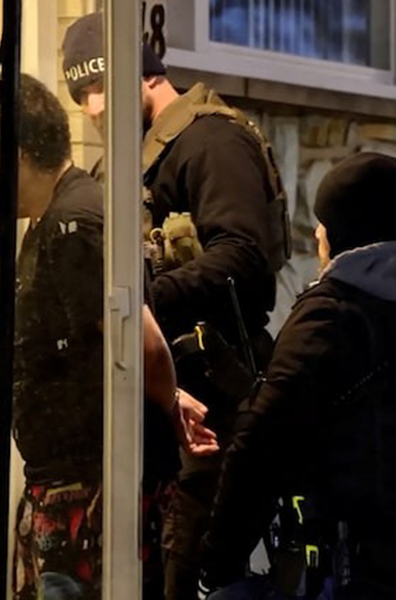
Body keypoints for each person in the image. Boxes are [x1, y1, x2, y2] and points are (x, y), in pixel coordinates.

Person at [0, 73, 217, 600]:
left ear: (17, 153)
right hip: (75, 484)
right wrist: (171, 397)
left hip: (90, 495)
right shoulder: (65, 214)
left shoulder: (73, 221)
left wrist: (167, 403)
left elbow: (134, 337)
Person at [199, 153, 396, 600]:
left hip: (353, 579)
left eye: (323, 223)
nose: (317, 234)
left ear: (341, 230)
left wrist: (217, 564)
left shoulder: (334, 312)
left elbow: (261, 446)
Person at [61, 13, 291, 600]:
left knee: (180, 577)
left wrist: (134, 301)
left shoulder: (211, 139)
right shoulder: (124, 158)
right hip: (149, 407)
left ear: (144, 75)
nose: (91, 108)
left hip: (208, 400)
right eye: (80, 95)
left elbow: (243, 255)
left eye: (99, 88)